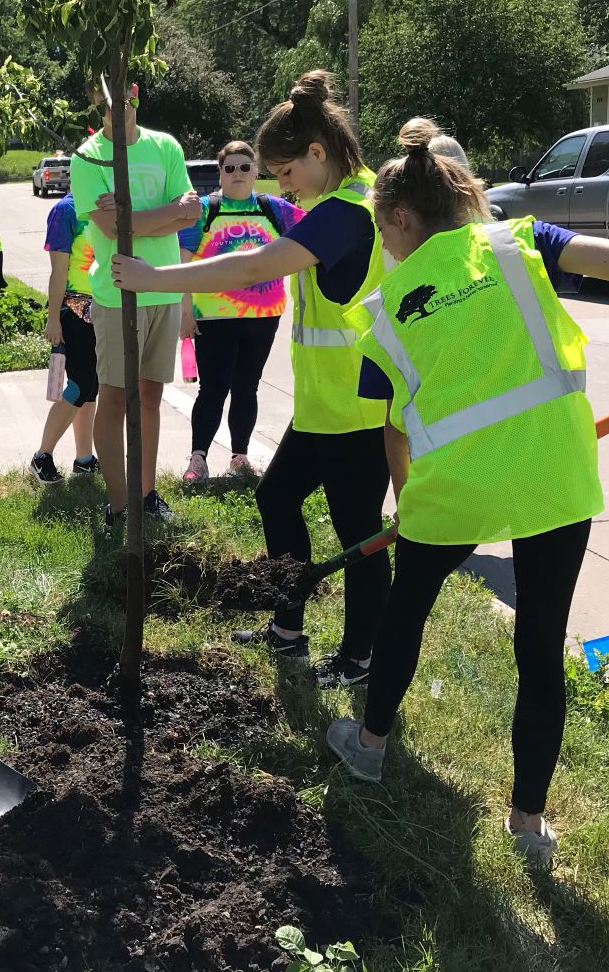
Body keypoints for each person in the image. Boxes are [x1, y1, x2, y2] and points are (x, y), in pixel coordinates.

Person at [324, 127, 609, 871]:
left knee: (406, 610)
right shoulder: (524, 242)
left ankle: (371, 744)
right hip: (555, 474)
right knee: (540, 649)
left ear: (403, 220)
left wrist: (411, 506)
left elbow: (394, 434)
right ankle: (528, 823)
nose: (384, 245)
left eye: (383, 229)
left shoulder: (384, 311)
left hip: (454, 493)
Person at [115, 72, 391, 688]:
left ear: (317, 153)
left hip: (358, 406)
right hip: (326, 403)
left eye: (285, 171)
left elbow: (256, 264)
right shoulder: (346, 201)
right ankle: (289, 630)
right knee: (275, 496)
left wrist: (153, 279)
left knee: (360, 535)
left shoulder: (347, 212)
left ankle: (359, 657)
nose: (279, 184)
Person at [70, 81, 203, 526]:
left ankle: (146, 495)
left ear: (135, 96)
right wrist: (168, 212)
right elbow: (110, 230)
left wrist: (131, 216)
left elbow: (194, 211)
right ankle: (119, 504)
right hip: (117, 293)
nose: (113, 107)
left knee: (150, 395)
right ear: (95, 102)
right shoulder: (87, 157)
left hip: (164, 286)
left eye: (122, 98)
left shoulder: (164, 146)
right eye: (103, 99)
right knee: (113, 397)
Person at [175, 139, 303, 480]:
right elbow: (183, 261)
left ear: (256, 172)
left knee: (247, 388)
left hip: (263, 317)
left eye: (244, 167)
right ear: (220, 173)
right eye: (229, 168)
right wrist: (184, 309)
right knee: (213, 389)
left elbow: (314, 234)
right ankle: (198, 458)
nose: (237, 174)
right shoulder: (204, 210)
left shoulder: (274, 208)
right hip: (213, 317)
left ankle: (240, 457)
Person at [29, 191, 100, 482]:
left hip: (103, 311)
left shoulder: (105, 206)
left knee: (90, 388)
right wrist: (53, 318)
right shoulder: (65, 211)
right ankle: (42, 456)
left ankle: (84, 459)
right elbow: (58, 270)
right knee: (79, 384)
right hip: (72, 311)